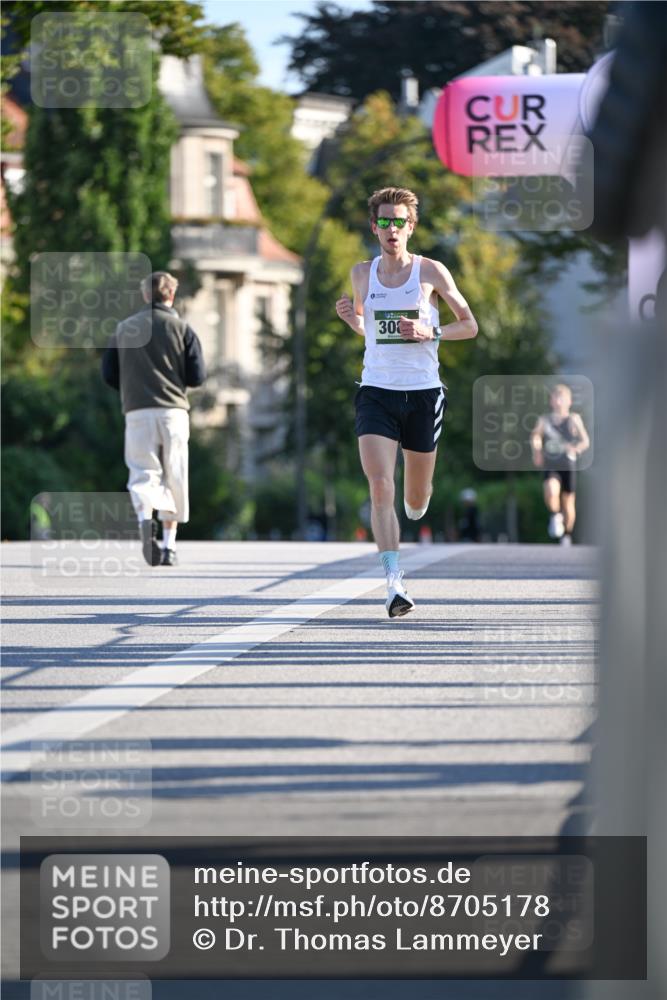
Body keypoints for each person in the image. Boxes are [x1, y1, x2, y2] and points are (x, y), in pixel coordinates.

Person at [335, 187, 477, 617]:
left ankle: (419, 498)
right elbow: (371, 329)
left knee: (415, 498)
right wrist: (351, 320)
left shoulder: (431, 272)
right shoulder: (362, 273)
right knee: (380, 485)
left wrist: (431, 332)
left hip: (423, 392)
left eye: (399, 222)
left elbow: (469, 325)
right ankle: (393, 582)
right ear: (374, 226)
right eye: (384, 221)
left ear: (411, 226)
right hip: (376, 390)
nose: (391, 229)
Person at [102, 271, 206, 566]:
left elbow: (109, 374)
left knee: (143, 473)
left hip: (137, 410)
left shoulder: (123, 329)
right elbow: (197, 376)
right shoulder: (182, 328)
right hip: (173, 411)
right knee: (175, 474)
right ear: (171, 295)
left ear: (146, 295)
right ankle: (170, 547)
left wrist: (133, 387)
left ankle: (145, 523)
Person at [530, 383, 590, 545]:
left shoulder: (574, 419)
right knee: (550, 491)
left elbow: (585, 441)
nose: (558, 401)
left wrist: (576, 448)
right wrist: (537, 451)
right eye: (555, 398)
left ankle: (567, 534)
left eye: (561, 398)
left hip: (568, 464)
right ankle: (555, 515)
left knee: (568, 501)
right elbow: (535, 436)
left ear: (569, 401)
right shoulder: (544, 420)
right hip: (551, 462)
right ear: (551, 401)